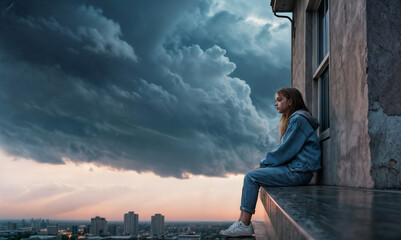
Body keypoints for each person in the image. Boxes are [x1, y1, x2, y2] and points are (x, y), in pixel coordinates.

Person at [220, 87, 322, 237]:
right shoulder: (296, 119)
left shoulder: (298, 120)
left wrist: (263, 164)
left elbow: (285, 150)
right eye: (276, 101)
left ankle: (245, 224)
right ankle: (242, 221)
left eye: (279, 100)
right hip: (297, 169)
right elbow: (284, 149)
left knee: (251, 176)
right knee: (252, 175)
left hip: (299, 172)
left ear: (291, 101)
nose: (276, 104)